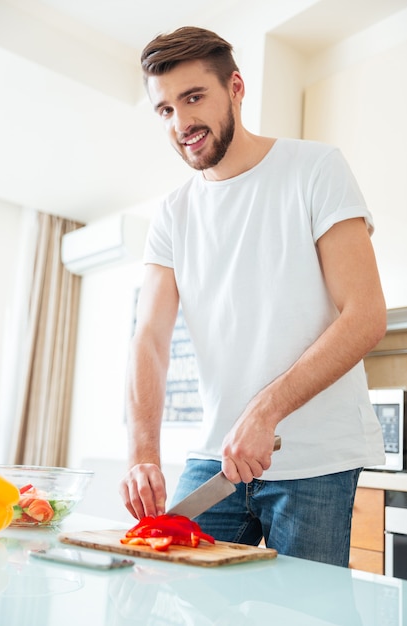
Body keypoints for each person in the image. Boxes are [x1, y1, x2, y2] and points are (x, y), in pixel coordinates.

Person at [119, 26, 387, 566]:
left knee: (303, 614)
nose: (181, 123)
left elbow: (365, 316)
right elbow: (148, 338)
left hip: (316, 459)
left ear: (235, 88)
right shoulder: (172, 214)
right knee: (180, 598)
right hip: (215, 460)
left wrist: (266, 410)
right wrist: (142, 452)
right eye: (165, 109)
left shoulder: (315, 169)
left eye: (193, 98)